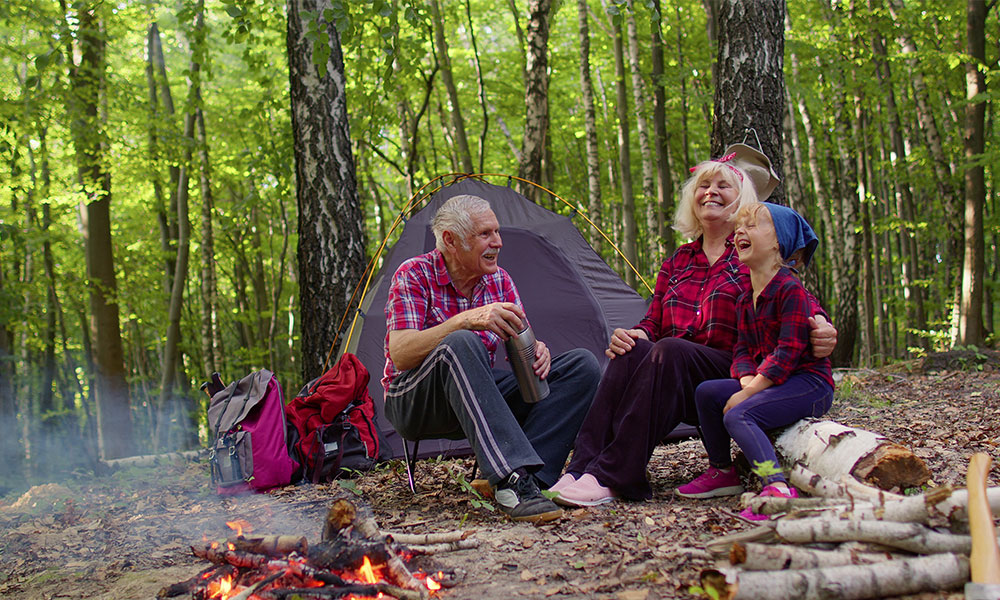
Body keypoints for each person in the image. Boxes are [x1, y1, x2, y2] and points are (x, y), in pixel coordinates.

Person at [553, 144, 837, 507]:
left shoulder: (751, 253)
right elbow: (653, 322)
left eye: (723, 186)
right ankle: (581, 469)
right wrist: (635, 334)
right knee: (631, 349)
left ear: (743, 202)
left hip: (733, 370)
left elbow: (797, 300)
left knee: (672, 350)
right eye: (703, 186)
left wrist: (823, 326)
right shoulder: (678, 261)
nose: (710, 192)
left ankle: (615, 474)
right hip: (671, 379)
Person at [382, 194, 601, 523]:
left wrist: (535, 353)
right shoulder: (413, 274)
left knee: (580, 366)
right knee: (461, 341)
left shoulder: (499, 280)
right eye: (485, 234)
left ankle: (529, 481)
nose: (497, 242)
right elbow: (400, 354)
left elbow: (520, 348)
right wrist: (465, 319)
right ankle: (509, 475)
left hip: (476, 398)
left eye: (497, 232)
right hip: (414, 401)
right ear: (450, 240)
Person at [675, 201, 834, 521]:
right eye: (739, 227)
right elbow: (743, 350)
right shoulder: (746, 296)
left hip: (808, 383)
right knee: (708, 392)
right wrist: (747, 382)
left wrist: (748, 394)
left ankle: (775, 486)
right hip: (773, 381)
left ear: (778, 242)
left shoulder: (790, 289)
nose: (740, 232)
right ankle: (722, 470)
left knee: (739, 415)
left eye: (753, 225)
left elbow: (788, 353)